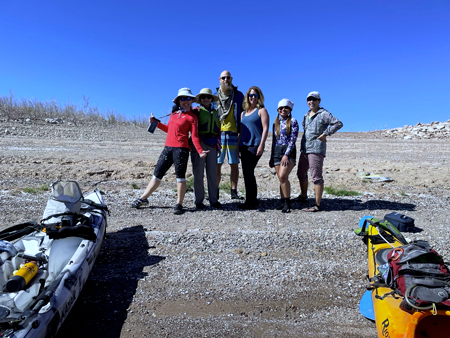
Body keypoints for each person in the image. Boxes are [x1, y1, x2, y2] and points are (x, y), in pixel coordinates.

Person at [131, 88, 209, 215]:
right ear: (178, 101)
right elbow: (169, 129)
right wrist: (156, 123)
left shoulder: (193, 117)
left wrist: (200, 151)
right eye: (182, 98)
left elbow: (194, 136)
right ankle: (143, 198)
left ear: (192, 101)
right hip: (167, 148)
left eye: (188, 98)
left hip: (181, 150)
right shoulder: (173, 114)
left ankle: (179, 204)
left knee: (180, 178)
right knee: (156, 175)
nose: (185, 101)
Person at [296, 91, 343, 212]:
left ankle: (317, 204)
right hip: (305, 148)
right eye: (309, 99)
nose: (311, 101)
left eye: (314, 99)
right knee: (301, 173)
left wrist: (325, 133)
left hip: (316, 149)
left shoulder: (323, 114)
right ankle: (303, 196)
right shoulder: (306, 115)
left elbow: (338, 123)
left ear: (319, 101)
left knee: (316, 177)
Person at [238, 86, 270, 210]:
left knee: (248, 170)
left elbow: (266, 128)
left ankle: (251, 201)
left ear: (258, 97)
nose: (252, 97)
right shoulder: (243, 113)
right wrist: (237, 147)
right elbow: (240, 131)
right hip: (243, 145)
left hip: (255, 145)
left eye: (255, 96)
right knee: (247, 172)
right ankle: (251, 199)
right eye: (250, 95)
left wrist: (261, 145)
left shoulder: (261, 111)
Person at [215, 70, 245, 200]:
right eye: (223, 78)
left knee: (234, 163)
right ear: (219, 79)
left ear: (231, 79)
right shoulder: (214, 97)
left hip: (234, 133)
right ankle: (215, 190)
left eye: (228, 77)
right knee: (217, 163)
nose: (226, 80)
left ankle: (234, 191)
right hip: (218, 134)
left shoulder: (238, 95)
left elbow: (244, 114)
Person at [191, 88, 222, 209]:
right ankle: (199, 201)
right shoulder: (196, 111)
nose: (206, 99)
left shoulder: (215, 113)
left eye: (208, 97)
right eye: (203, 97)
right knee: (198, 173)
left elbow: (218, 130)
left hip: (213, 144)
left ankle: (213, 200)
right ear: (200, 99)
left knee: (213, 173)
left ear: (211, 99)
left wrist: (218, 146)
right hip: (199, 144)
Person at [269, 98, 299, 213]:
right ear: (278, 109)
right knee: (281, 178)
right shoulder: (275, 123)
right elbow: (273, 141)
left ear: (290, 109)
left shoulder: (293, 122)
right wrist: (272, 156)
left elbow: (293, 139)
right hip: (277, 151)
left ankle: (287, 202)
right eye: (281, 108)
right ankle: (282, 202)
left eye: (286, 108)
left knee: (283, 176)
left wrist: (286, 154)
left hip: (288, 151)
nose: (283, 110)